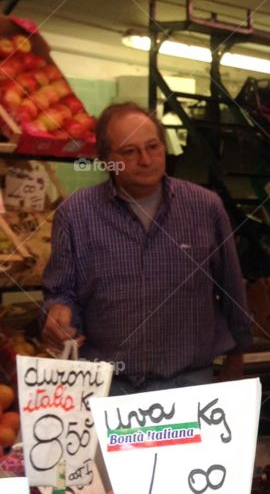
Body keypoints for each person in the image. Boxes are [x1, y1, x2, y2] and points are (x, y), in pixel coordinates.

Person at [41, 101, 251, 392]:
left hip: (189, 383)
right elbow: (60, 291)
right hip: (108, 387)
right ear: (105, 159)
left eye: (153, 146)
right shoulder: (75, 214)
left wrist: (238, 354)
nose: (146, 159)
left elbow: (230, 286)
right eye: (130, 151)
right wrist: (58, 312)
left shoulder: (205, 207)